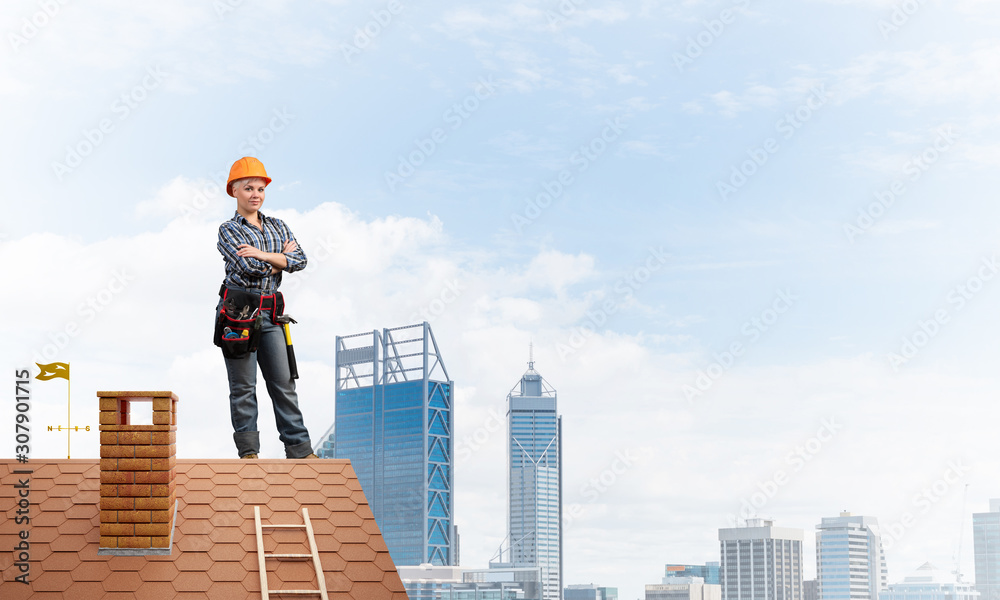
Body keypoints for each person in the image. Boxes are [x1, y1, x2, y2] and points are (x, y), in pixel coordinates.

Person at [216, 156, 316, 459]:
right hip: (238, 314)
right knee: (244, 388)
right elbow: (249, 268)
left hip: (272, 314)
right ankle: (249, 452)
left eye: (260, 188)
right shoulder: (228, 230)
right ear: (234, 190)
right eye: (248, 188)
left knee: (284, 384)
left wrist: (261, 254)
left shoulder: (279, 225)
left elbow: (300, 260)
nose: (255, 194)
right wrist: (277, 259)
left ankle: (300, 450)